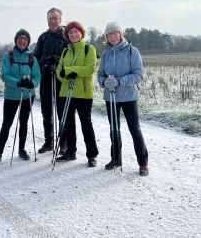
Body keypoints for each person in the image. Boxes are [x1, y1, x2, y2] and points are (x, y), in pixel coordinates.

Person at [97, 21, 149, 176]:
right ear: (106, 37)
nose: (112, 36)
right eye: (109, 34)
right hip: (111, 97)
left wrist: (120, 81)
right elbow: (100, 75)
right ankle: (116, 159)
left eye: (115, 33)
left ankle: (143, 163)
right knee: (114, 130)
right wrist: (104, 82)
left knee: (135, 130)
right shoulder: (106, 54)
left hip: (128, 97)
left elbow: (138, 75)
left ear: (120, 34)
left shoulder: (132, 52)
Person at [0, 29, 40, 165]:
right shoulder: (8, 56)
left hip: (27, 95)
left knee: (23, 122)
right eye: (20, 38)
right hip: (12, 95)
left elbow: (37, 76)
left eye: (25, 38)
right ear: (16, 40)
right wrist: (17, 82)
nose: (22, 40)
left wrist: (32, 83)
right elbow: (5, 75)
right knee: (7, 123)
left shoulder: (32, 58)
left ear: (28, 41)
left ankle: (22, 149)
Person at [55, 21, 99, 167]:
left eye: (76, 32)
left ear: (81, 33)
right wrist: (67, 73)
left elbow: (89, 69)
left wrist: (71, 71)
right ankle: (70, 152)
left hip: (83, 94)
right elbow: (59, 72)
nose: (73, 34)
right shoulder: (65, 51)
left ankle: (92, 155)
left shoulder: (89, 49)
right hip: (66, 92)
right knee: (68, 124)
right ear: (67, 35)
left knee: (86, 124)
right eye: (70, 32)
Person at [33, 7, 69, 154]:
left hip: (62, 78)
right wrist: (45, 62)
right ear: (47, 20)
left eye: (55, 18)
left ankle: (64, 143)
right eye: (50, 19)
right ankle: (49, 141)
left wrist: (59, 60)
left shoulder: (66, 36)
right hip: (46, 77)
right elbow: (36, 57)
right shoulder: (42, 38)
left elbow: (71, 57)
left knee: (62, 111)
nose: (52, 21)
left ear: (60, 19)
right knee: (46, 112)